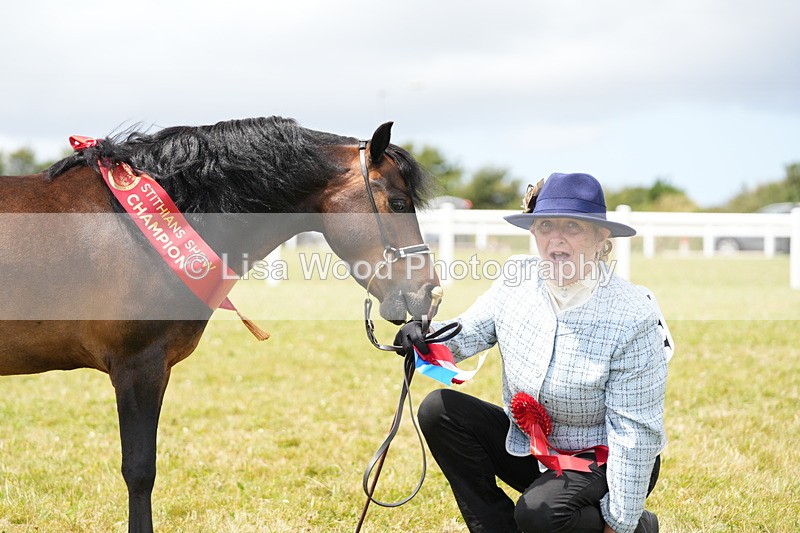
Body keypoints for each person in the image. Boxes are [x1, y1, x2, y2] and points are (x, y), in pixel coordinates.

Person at [397, 173, 669, 533]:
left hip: (604, 462)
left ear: (601, 236)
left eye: (572, 227)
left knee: (539, 513)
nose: (555, 240)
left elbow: (635, 433)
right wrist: (424, 337)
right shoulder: (516, 278)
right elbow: (470, 331)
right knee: (440, 410)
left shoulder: (634, 314)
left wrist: (620, 521)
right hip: (529, 448)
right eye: (545, 226)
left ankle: (640, 528)